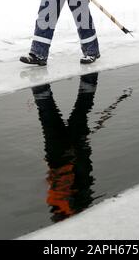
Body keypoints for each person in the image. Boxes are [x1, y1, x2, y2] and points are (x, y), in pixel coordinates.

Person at [32, 73, 98, 221]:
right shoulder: (70, 208)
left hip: (61, 162)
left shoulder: (64, 208)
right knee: (56, 115)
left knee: (53, 115)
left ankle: (39, 83)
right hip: (67, 162)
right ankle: (89, 78)